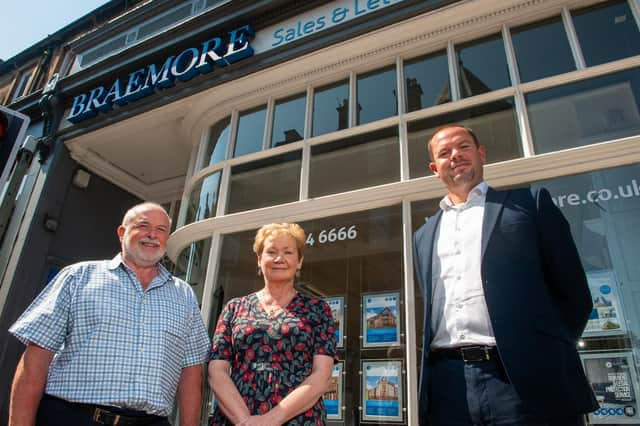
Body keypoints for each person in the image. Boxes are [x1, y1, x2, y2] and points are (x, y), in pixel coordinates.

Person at [413, 124, 598, 426]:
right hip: (448, 384)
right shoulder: (422, 235)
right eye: (445, 153)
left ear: (481, 154)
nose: (455, 156)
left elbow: (574, 294)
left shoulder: (529, 204)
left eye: (463, 147)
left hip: (524, 379)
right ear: (435, 168)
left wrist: (542, 348)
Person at [9, 202, 211, 426]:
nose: (152, 234)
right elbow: (35, 361)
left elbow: (191, 371)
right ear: (122, 232)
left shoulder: (183, 294)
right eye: (143, 226)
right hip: (72, 417)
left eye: (161, 229)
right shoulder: (78, 277)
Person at [208, 223, 337, 425]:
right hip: (236, 420)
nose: (279, 259)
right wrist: (246, 421)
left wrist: (270, 420)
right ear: (259, 260)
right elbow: (216, 371)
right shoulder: (234, 308)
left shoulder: (319, 309)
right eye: (271, 252)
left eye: (288, 252)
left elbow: (322, 375)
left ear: (299, 261)